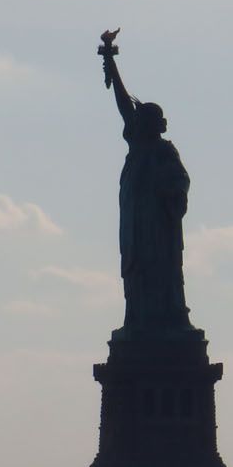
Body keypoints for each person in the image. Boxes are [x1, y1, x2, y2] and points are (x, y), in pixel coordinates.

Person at [100, 31, 197, 339]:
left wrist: (171, 195)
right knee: (136, 269)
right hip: (135, 222)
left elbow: (181, 181)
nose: (137, 122)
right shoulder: (138, 146)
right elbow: (123, 103)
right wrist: (110, 60)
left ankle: (169, 317)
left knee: (161, 270)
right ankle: (137, 320)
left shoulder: (164, 151)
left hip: (158, 226)